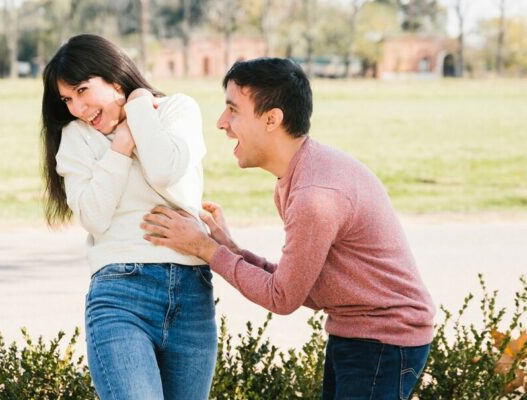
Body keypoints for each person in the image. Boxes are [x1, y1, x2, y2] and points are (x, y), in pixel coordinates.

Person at [141, 57, 436, 400]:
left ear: (272, 119)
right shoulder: (299, 176)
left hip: (384, 341)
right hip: (360, 334)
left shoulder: (314, 197)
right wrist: (232, 250)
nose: (222, 123)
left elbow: (282, 299)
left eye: (233, 110)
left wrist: (205, 249)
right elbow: (297, 286)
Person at [40, 34, 216, 400]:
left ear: (115, 79)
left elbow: (166, 172)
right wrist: (120, 148)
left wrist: (137, 109)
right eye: (67, 99)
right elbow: (94, 216)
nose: (77, 108)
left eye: (83, 91)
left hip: (191, 294)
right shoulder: (77, 138)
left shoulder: (175, 111)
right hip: (121, 293)